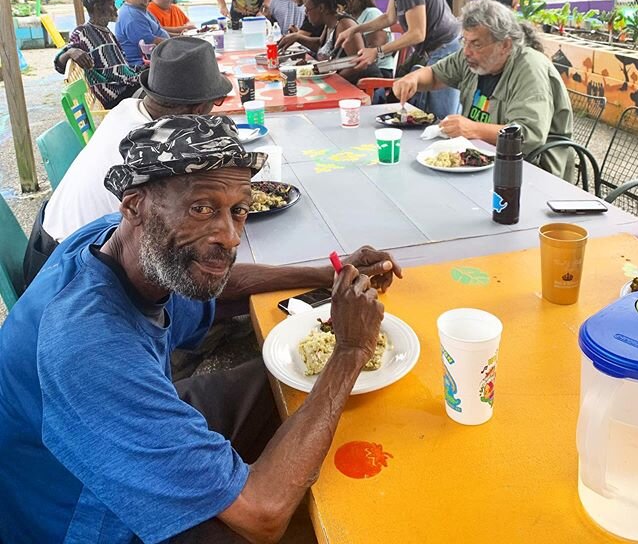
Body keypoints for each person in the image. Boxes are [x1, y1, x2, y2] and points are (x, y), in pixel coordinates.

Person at [0, 113, 401, 542]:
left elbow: (212, 284)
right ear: (135, 205)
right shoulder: (90, 350)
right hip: (90, 512)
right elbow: (264, 515)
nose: (229, 236)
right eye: (202, 208)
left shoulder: (114, 240)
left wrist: (322, 274)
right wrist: (350, 351)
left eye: (238, 210)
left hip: (121, 420)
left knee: (283, 381)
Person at [24, 37, 232, 284]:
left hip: (44, 248)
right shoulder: (154, 153)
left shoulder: (127, 108)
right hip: (67, 276)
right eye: (215, 103)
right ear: (197, 110)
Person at [393, 0, 574, 179]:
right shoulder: (472, 58)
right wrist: (413, 78)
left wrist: (473, 129)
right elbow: (434, 76)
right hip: (481, 160)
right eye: (464, 41)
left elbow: (526, 136)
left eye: (476, 44)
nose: (466, 51)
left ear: (505, 45)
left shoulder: (530, 69)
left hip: (531, 171)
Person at [278, 0, 381, 83]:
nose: (306, 13)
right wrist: (297, 37)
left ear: (321, 8)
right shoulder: (329, 24)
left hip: (364, 86)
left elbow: (359, 63)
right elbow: (320, 45)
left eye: (308, 9)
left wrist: (332, 79)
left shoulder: (345, 25)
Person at [54, 0, 141, 109]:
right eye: (111, 4)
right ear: (97, 7)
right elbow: (59, 64)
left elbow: (122, 68)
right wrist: (70, 52)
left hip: (127, 87)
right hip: (117, 97)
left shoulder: (106, 32)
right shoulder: (83, 33)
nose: (115, 9)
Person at [115, 0, 169, 66]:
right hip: (145, 66)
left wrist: (181, 37)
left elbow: (159, 30)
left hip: (159, 57)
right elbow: (152, 42)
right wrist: (176, 43)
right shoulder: (132, 16)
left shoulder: (140, 9)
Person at [346, 0, 394, 77]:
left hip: (380, 70)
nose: (346, 0)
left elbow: (376, 46)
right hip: (361, 68)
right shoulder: (349, 18)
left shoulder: (372, 13)